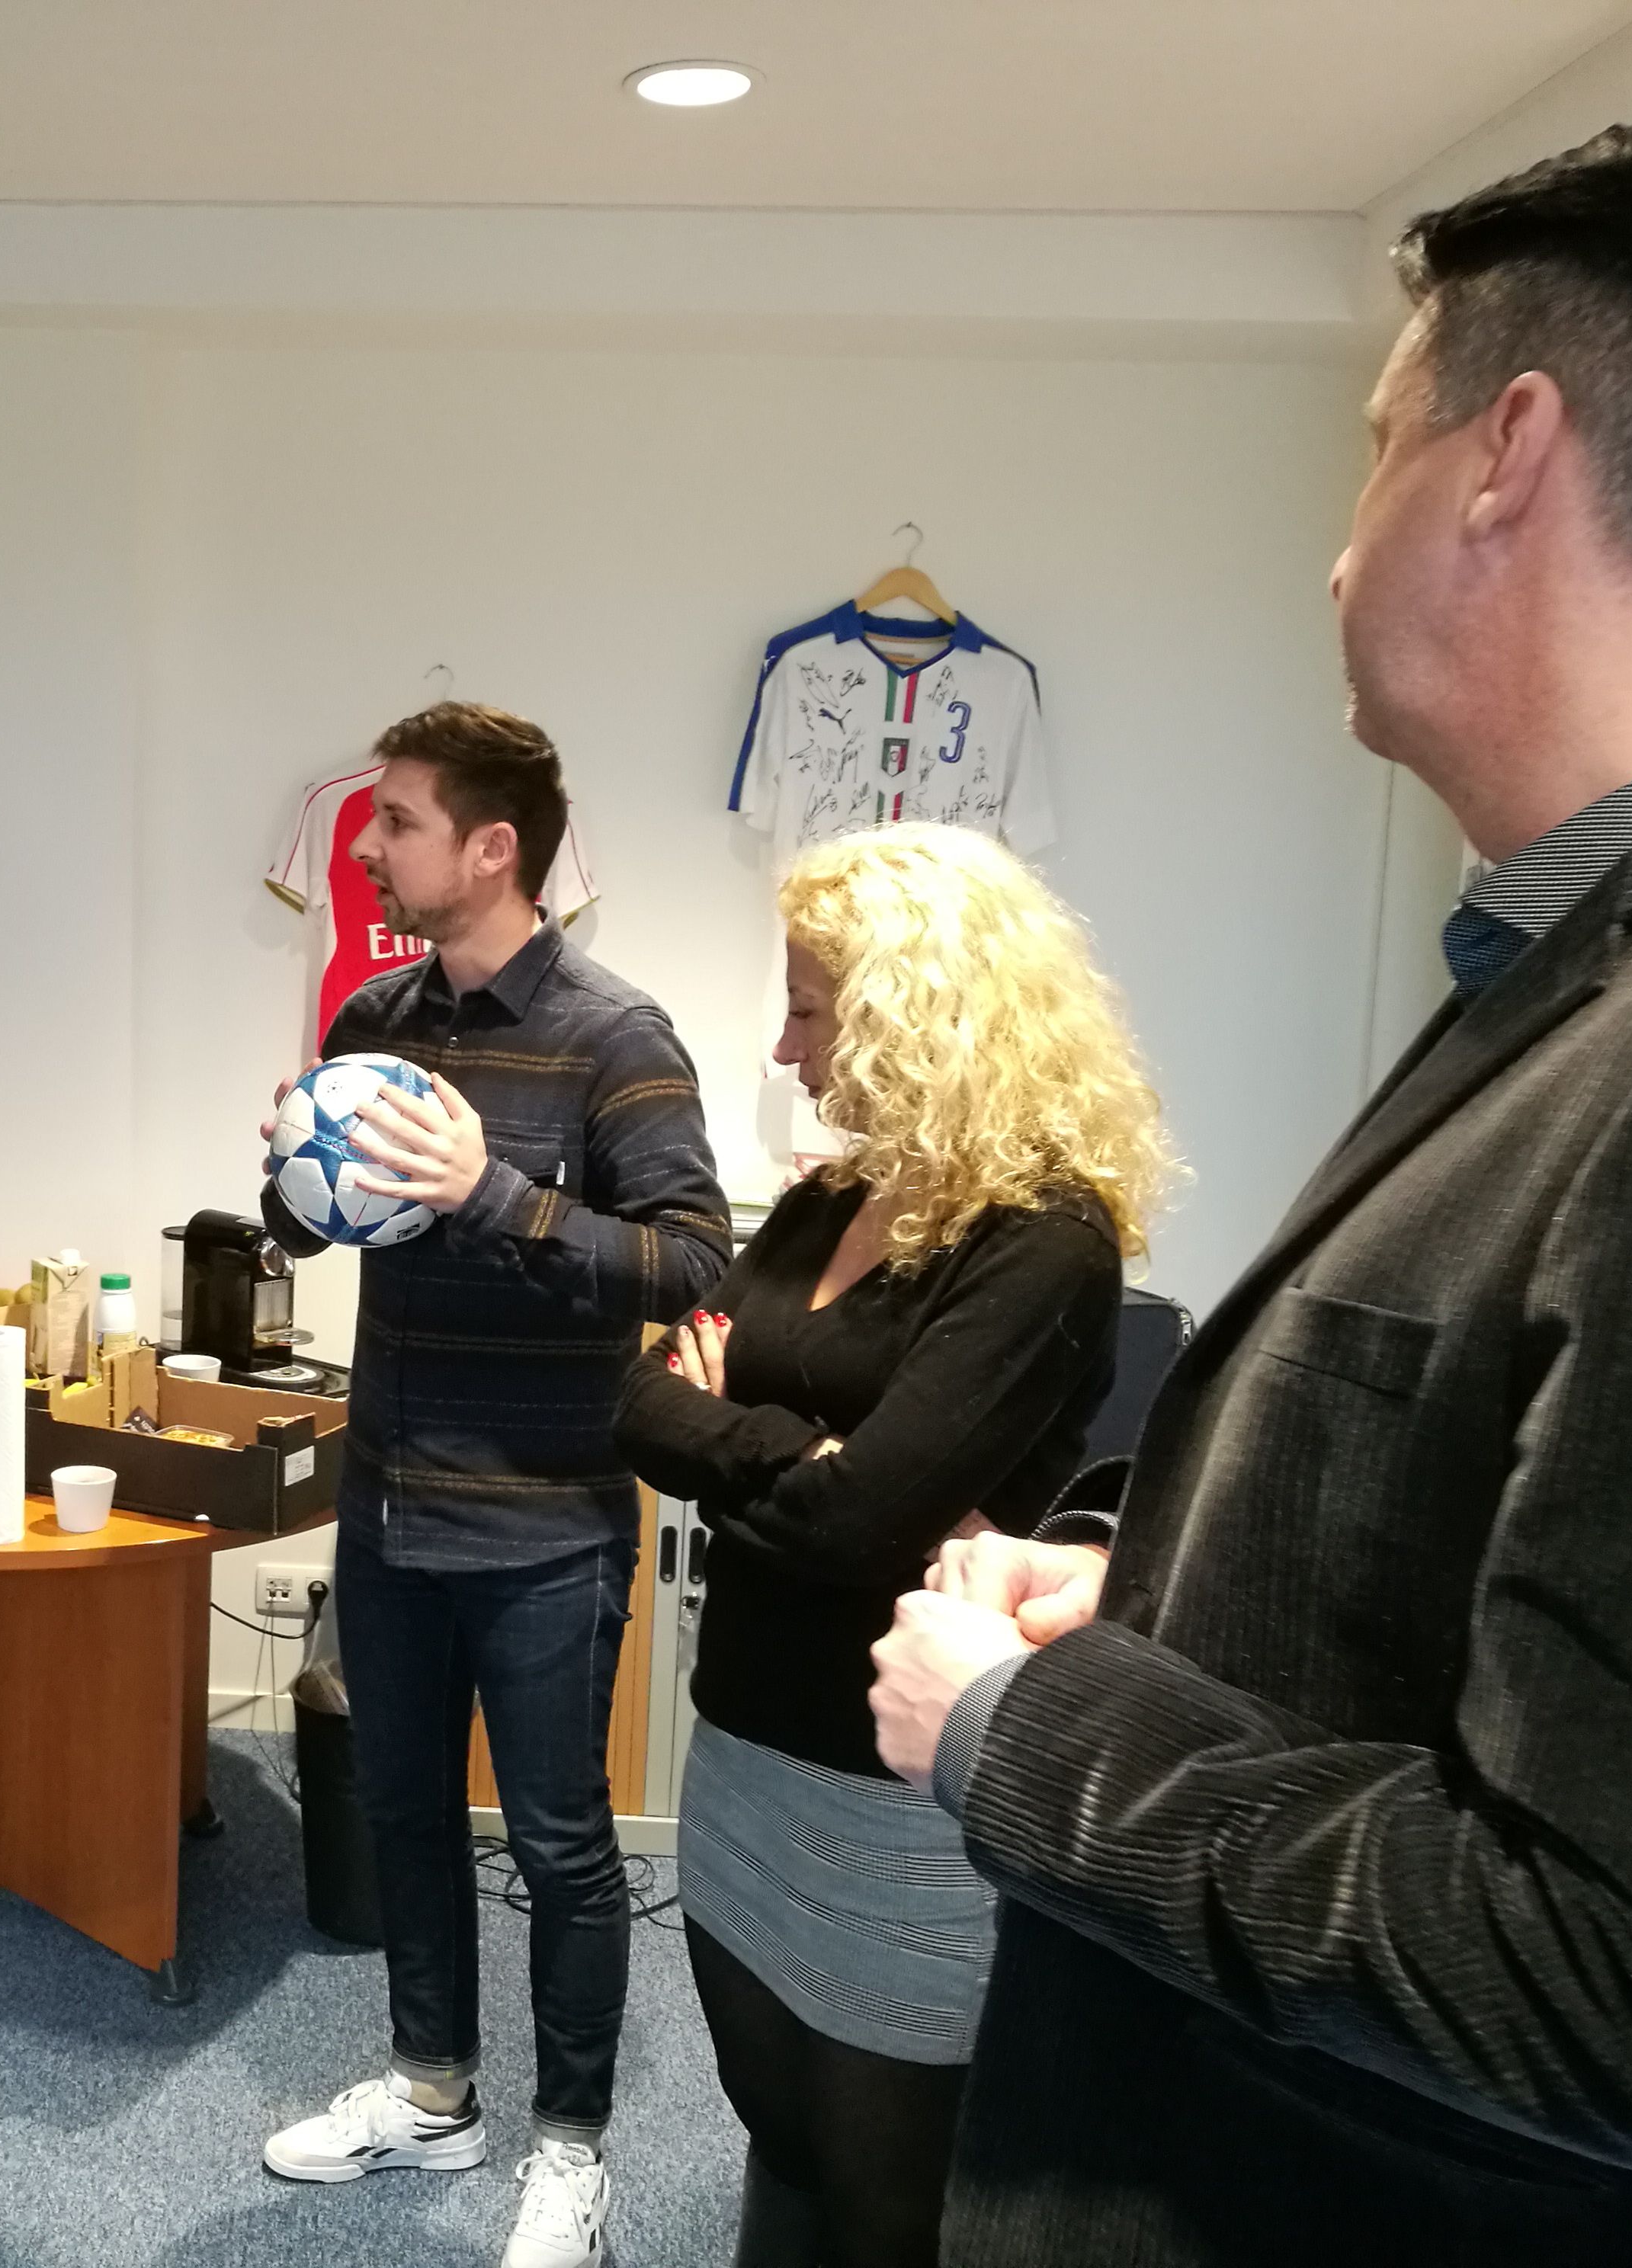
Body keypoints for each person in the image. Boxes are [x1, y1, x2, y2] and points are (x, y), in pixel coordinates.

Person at [866, 114, 1632, 2266]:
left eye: (1375, 448)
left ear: (1503, 458)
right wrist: (1174, 1598)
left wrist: (1033, 1728)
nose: (1333, 556)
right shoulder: (1602, 966)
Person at [614, 825, 1167, 2268]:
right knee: (779, 2134)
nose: (784, 1048)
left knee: (887, 2202)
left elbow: (863, 1520)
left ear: (915, 1013)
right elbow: (640, 1399)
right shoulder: (819, 1202)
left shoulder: (1044, 1241)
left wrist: (743, 1431)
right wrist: (804, 1458)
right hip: (742, 1748)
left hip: (898, 1798)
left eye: (809, 1009)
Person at [255, 703, 731, 2268]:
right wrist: (294, 1177)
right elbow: (317, 1221)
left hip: (544, 1528)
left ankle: (571, 2150)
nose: (367, 846)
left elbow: (687, 1262)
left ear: (490, 846)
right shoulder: (373, 1015)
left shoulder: (616, 1036)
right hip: (388, 1502)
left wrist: (494, 1195)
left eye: (395, 819)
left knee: (558, 1844)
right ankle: (431, 2093)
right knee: (400, 1811)